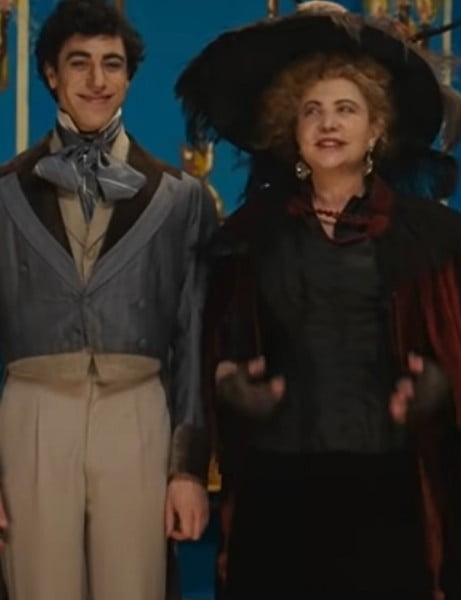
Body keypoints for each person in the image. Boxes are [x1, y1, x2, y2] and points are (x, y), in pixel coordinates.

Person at [174, 3, 461, 598]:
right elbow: (215, 349)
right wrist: (231, 384)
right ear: (290, 129)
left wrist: (433, 388)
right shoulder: (247, 238)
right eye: (311, 110)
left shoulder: (429, 238)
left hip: (390, 495)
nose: (328, 123)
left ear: (376, 129)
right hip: (279, 497)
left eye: (346, 109)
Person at [0, 0, 214, 598]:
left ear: (128, 76)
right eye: (80, 63)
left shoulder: (181, 199)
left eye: (112, 64)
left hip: (137, 410)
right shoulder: (4, 193)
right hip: (32, 413)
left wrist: (187, 468)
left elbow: (194, 340)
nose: (97, 80)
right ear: (51, 74)